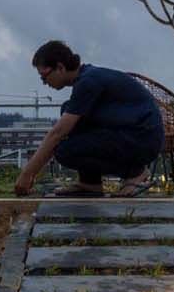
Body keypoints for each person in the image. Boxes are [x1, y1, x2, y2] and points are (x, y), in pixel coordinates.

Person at [13, 42, 165, 197]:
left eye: (44, 76)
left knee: (65, 150)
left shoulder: (88, 81)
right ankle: (90, 183)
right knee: (68, 109)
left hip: (143, 139)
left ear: (60, 67)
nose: (45, 83)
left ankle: (135, 172)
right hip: (134, 134)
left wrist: (27, 174)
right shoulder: (87, 77)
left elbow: (57, 133)